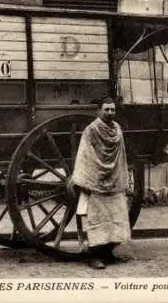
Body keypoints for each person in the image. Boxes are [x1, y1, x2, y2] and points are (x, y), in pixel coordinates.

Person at [68, 96, 132, 269]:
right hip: (95, 182)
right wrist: (89, 178)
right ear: (99, 111)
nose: (110, 113)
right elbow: (85, 155)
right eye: (107, 109)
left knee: (114, 216)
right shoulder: (91, 130)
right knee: (96, 219)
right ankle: (94, 256)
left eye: (112, 109)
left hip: (113, 182)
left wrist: (121, 176)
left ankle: (107, 252)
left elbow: (122, 156)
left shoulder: (117, 129)